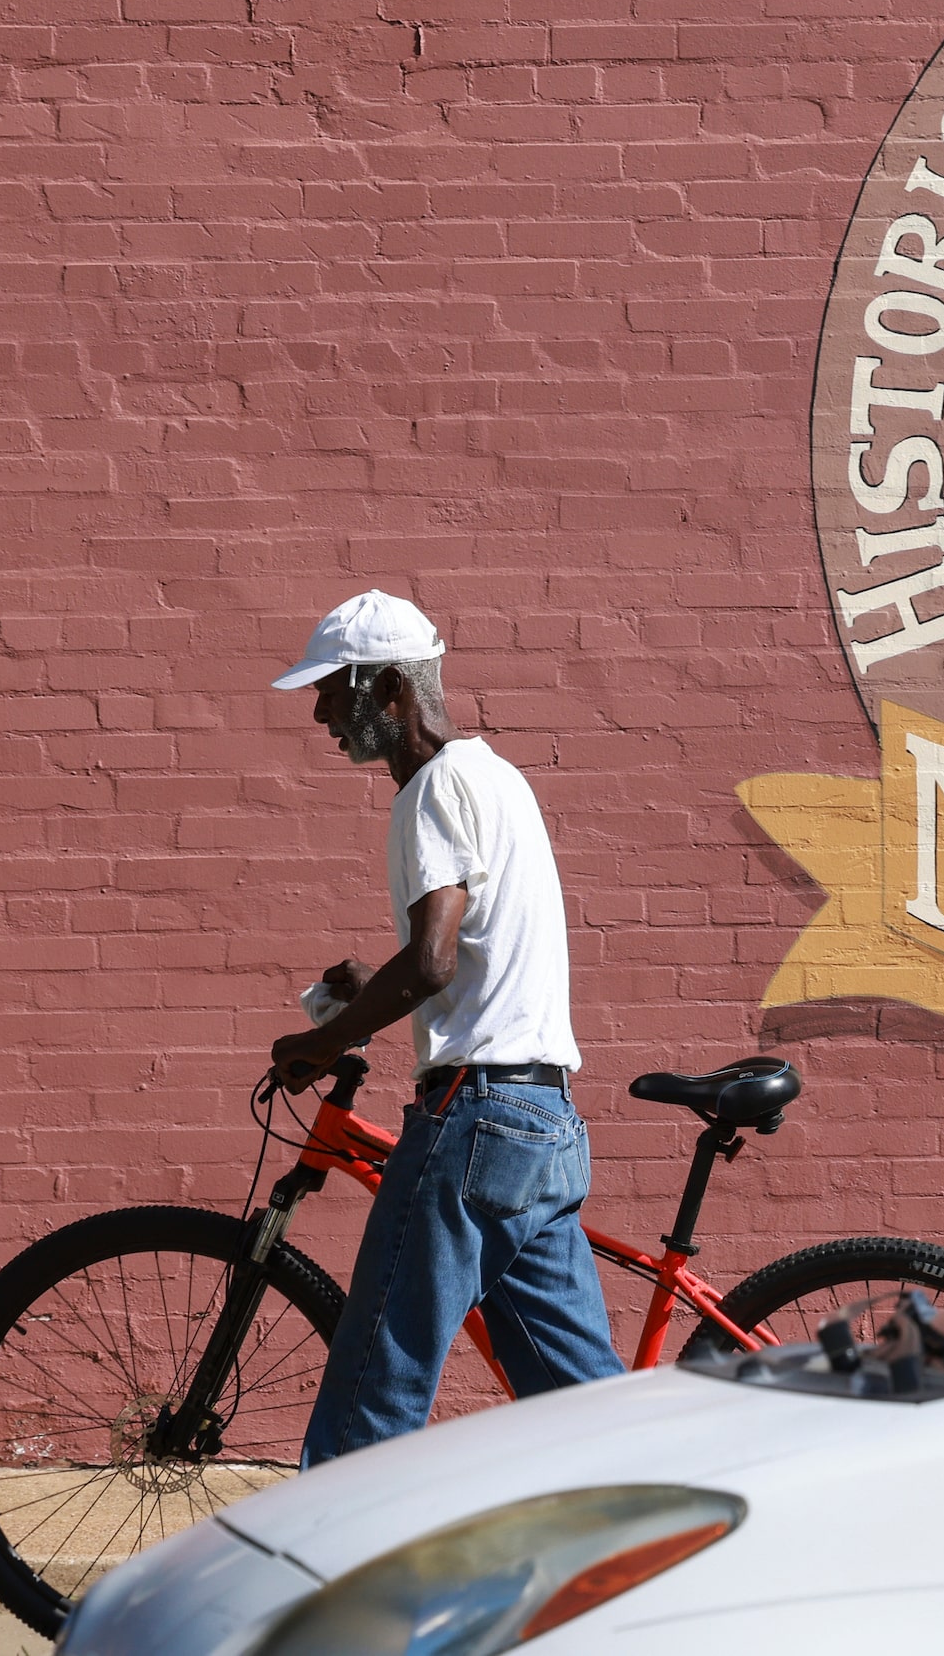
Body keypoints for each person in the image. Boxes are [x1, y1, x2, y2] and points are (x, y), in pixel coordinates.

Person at [268, 589, 624, 1466]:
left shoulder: (428, 790)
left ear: (389, 691)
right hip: (545, 1129)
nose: (318, 713)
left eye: (332, 690)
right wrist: (365, 994)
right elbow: (461, 961)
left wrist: (322, 1042)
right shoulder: (495, 777)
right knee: (588, 1410)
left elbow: (430, 961)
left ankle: (321, 1583)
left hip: (474, 1126)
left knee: (374, 1387)